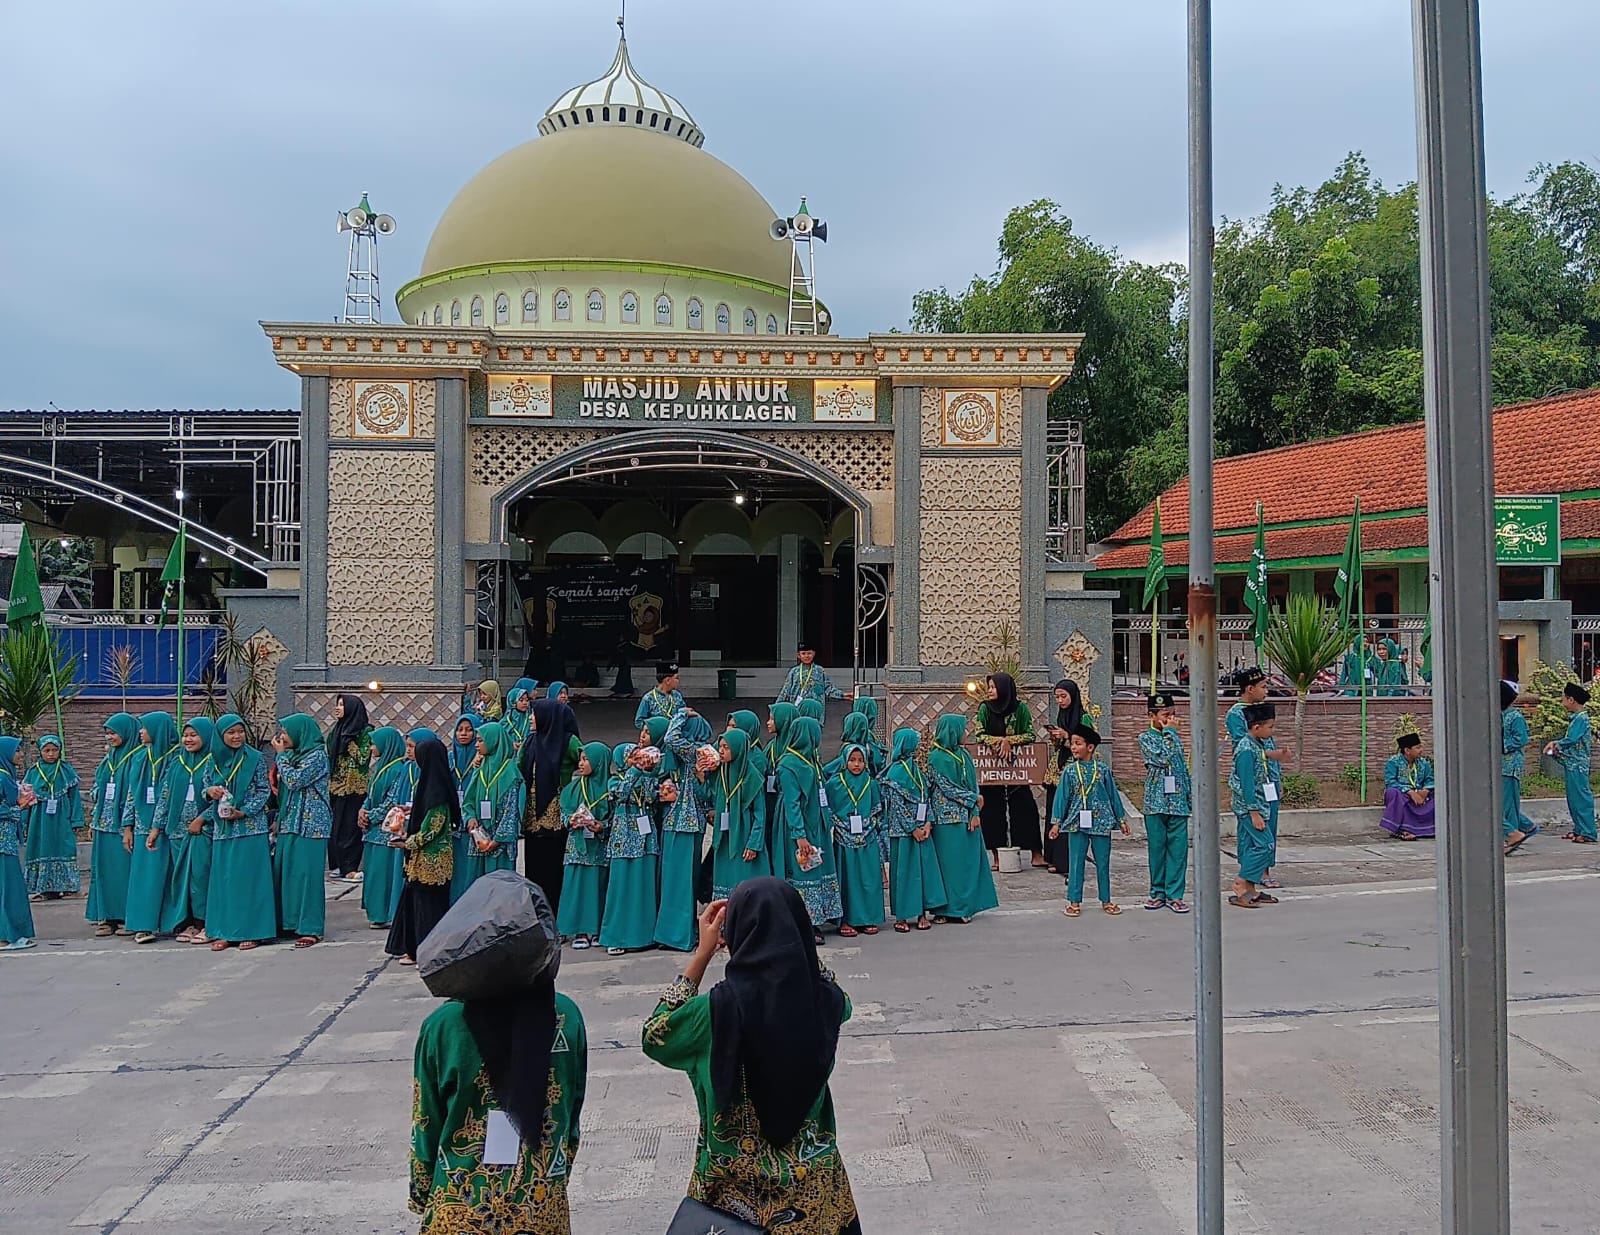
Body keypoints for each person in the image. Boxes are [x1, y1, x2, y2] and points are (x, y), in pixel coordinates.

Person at [642, 881, 861, 1235]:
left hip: (731, 1195)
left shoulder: (711, 1013)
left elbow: (655, 1035)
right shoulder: (828, 1003)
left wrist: (701, 955)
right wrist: (801, 948)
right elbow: (837, 992)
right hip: (814, 1193)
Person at [410, 879, 586, 1235]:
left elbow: (425, 1122)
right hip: (540, 1207)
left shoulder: (443, 1026)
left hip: (460, 1209)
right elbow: (571, 1115)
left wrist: (422, 1193)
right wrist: (553, 1175)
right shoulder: (565, 1017)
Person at [202, 714, 276, 950]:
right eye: (231, 732)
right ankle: (224, 931)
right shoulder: (212, 760)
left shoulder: (254, 758)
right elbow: (204, 786)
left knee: (249, 881)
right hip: (223, 829)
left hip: (250, 828)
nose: (236, 737)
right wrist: (210, 791)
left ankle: (252, 931)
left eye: (240, 731)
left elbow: (264, 791)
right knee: (225, 881)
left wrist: (243, 812)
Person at [387, 736, 457, 965]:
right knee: (416, 905)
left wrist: (406, 842)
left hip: (432, 861)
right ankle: (414, 949)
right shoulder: (427, 785)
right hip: (419, 861)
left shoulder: (437, 792)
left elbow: (431, 829)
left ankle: (430, 953)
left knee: (429, 908)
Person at [1049, 723, 1130, 918]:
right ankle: (1074, 901)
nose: (1074, 747)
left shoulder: (1102, 770)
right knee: (1076, 862)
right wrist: (1056, 823)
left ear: (1090, 747)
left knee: (1103, 862)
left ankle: (1106, 899)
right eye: (1072, 744)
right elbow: (1062, 798)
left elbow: (1113, 796)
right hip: (1077, 822)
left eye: (1078, 743)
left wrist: (1122, 819)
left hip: (1101, 822)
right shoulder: (1069, 772)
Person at [926, 713, 999, 924]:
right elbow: (947, 788)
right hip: (945, 820)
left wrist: (975, 812)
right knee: (947, 867)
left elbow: (973, 783)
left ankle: (963, 908)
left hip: (967, 817)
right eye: (963, 729)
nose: (966, 733)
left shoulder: (964, 755)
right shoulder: (936, 758)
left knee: (965, 866)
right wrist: (974, 799)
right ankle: (944, 909)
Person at [776, 717, 842, 942]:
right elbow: (792, 803)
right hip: (800, 829)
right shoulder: (788, 765)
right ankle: (805, 924)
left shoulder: (810, 760)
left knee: (817, 869)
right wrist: (799, 836)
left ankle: (819, 918)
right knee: (804, 872)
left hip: (817, 827)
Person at [656, 709, 715, 952]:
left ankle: (679, 934)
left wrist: (680, 713)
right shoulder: (690, 755)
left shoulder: (697, 752)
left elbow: (670, 738)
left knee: (680, 881)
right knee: (671, 879)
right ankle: (669, 932)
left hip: (688, 824)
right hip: (675, 821)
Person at [273, 714, 332, 948]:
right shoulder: (292, 755)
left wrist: (280, 757)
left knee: (308, 877)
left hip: (312, 826)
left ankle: (310, 928)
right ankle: (289, 923)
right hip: (289, 822)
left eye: (286, 732)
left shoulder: (317, 756)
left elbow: (295, 780)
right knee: (288, 875)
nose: (282, 737)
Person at [599, 739, 662, 956]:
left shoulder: (646, 777)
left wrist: (651, 771)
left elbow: (653, 798)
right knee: (622, 887)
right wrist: (635, 771)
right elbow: (622, 794)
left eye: (639, 753)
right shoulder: (615, 780)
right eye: (632, 754)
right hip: (624, 838)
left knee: (644, 886)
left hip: (646, 838)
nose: (638, 757)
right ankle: (616, 937)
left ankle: (644, 936)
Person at [975, 672, 1044, 869]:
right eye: (989, 687)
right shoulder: (984, 709)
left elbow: (1030, 734)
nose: (989, 691)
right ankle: (997, 856)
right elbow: (979, 734)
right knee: (991, 810)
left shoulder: (1020, 708)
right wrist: (999, 741)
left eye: (993, 687)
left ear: (1004, 688)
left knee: (1025, 807)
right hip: (992, 769)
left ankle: (1036, 854)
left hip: (1018, 767)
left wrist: (1009, 741)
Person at [519, 696, 582, 913]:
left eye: (534, 714)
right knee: (534, 864)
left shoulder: (568, 741)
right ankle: (537, 913)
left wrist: (572, 793)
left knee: (554, 865)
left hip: (556, 816)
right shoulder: (531, 742)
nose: (530, 718)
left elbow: (588, 762)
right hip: (531, 815)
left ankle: (556, 914)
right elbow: (517, 769)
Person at [1226, 668, 1287, 888]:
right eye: (1263, 687)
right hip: (1252, 779)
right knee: (1252, 827)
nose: (1266, 691)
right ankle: (1249, 872)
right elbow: (1248, 747)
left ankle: (1265, 867)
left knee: (1270, 822)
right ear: (1249, 689)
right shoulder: (1236, 714)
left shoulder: (1262, 710)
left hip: (1269, 776)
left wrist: (1278, 777)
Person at [122, 712, 179, 945]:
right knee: (144, 878)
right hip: (143, 826)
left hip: (169, 827)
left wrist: (158, 825)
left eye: (145, 728)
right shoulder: (139, 758)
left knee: (168, 876)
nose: (141, 732)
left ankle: (171, 923)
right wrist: (127, 826)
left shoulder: (176, 758)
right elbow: (131, 793)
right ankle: (142, 924)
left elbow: (168, 795)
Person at [882, 728, 945, 933]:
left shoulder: (917, 770)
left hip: (922, 830)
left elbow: (926, 799)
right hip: (903, 834)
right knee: (904, 873)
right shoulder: (895, 771)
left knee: (922, 872)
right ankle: (901, 915)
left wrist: (928, 823)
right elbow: (896, 806)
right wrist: (912, 828)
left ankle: (921, 913)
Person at [161, 718, 216, 945]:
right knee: (181, 879)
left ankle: (205, 923)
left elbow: (223, 797)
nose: (188, 739)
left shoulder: (213, 762)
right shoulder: (176, 763)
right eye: (186, 735)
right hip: (177, 832)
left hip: (203, 831)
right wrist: (157, 827)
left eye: (194, 735)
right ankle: (188, 922)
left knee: (200, 877)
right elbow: (165, 798)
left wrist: (203, 819)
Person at [86, 713, 140, 937]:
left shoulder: (137, 758)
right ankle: (106, 916)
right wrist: (93, 818)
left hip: (124, 826)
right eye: (107, 733)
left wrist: (129, 824)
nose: (110, 737)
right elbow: (97, 789)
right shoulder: (107, 761)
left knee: (124, 872)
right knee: (104, 872)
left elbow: (135, 793)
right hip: (103, 825)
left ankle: (128, 916)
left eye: (114, 732)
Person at [1138, 693, 1192, 913]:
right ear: (1151, 715)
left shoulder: (1174, 736)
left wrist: (1189, 796)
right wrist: (1170, 732)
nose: (1170, 719)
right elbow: (1163, 758)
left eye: (1172, 714)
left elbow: (1181, 767)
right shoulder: (1146, 738)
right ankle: (1157, 892)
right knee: (1157, 850)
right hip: (1156, 802)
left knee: (1178, 851)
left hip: (1177, 801)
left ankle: (1175, 894)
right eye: (1165, 715)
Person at [555, 742, 612, 948]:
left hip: (599, 846)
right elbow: (563, 813)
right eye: (580, 759)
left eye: (586, 759)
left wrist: (601, 826)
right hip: (577, 845)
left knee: (598, 886)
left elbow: (614, 817)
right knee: (576, 885)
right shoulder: (572, 789)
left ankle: (596, 929)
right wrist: (570, 821)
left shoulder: (610, 788)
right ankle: (578, 930)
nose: (581, 763)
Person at [825, 744, 884, 937]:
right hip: (843, 838)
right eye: (852, 760)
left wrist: (867, 826)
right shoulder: (835, 783)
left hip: (868, 837)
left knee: (869, 878)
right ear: (844, 761)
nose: (856, 764)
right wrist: (842, 827)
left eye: (860, 760)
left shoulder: (871, 783)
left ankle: (868, 918)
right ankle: (847, 920)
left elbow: (877, 809)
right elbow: (829, 810)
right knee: (848, 880)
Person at [357, 727, 411, 929]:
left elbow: (392, 802)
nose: (371, 748)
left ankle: (385, 913)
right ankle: (376, 913)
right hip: (372, 830)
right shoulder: (381, 767)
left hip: (385, 830)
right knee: (373, 873)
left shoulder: (399, 769)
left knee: (383, 874)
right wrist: (363, 810)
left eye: (374, 744)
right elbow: (371, 796)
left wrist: (370, 816)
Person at [1228, 704, 1278, 908]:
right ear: (1256, 728)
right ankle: (1241, 883)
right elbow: (1246, 783)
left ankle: (1250, 888)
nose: (1272, 731)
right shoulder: (1246, 750)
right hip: (1249, 807)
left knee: (1250, 846)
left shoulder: (1257, 745)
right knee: (1265, 844)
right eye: (1270, 727)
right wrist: (1254, 813)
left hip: (1260, 802)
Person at [710, 728, 767, 902]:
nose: (721, 751)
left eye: (726, 747)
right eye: (720, 746)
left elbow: (760, 814)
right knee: (724, 878)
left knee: (744, 878)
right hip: (725, 837)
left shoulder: (752, 777)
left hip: (744, 835)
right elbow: (710, 794)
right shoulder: (722, 772)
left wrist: (754, 844)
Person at [24, 735, 82, 899]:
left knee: (64, 846)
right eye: (46, 750)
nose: (50, 754)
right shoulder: (33, 772)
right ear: (40, 751)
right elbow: (25, 800)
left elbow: (74, 798)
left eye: (54, 750)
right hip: (39, 820)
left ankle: (69, 887)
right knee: (41, 847)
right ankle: (44, 888)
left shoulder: (66, 771)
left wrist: (76, 820)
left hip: (61, 817)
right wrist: (24, 822)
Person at [326, 693, 374, 883]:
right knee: (335, 827)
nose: (337, 708)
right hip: (336, 786)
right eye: (336, 705)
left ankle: (350, 867)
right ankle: (337, 865)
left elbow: (363, 758)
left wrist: (350, 743)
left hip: (355, 788)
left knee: (350, 828)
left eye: (341, 705)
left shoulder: (365, 732)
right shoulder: (336, 730)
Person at [1041, 679, 1083, 875]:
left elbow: (1086, 745)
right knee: (1053, 813)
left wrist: (1068, 736)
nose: (1060, 701)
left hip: (1072, 772)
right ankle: (1051, 857)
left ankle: (1064, 861)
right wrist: (1056, 738)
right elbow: (1060, 748)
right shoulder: (1062, 716)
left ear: (1073, 696)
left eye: (1063, 696)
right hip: (1056, 773)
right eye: (1057, 697)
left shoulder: (1083, 719)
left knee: (1066, 815)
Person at [1546, 681, 1596, 843]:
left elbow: (1572, 739)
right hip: (1572, 763)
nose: (1562, 702)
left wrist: (1556, 744)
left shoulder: (1581, 719)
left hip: (1578, 765)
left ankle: (1588, 832)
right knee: (1574, 798)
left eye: (1564, 699)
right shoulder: (1576, 718)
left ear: (1571, 700)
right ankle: (1579, 829)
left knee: (1581, 798)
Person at [0, 738, 36, 950]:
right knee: (7, 888)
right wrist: (19, 807)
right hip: (3, 844)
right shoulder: (2, 777)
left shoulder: (7, 775)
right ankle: (5, 937)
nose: (21, 754)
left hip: (7, 842)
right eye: (17, 751)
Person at [1381, 731, 1436, 841]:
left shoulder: (1424, 763)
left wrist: (1425, 791)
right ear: (1407, 750)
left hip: (1421, 795)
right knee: (1392, 793)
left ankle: (1429, 829)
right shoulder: (1393, 762)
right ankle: (1402, 830)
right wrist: (1410, 792)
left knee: (1439, 795)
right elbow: (1390, 782)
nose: (1421, 750)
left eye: (1421, 747)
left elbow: (1430, 779)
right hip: (1403, 795)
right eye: (1418, 747)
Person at [776, 643, 851, 723]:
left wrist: (843, 695)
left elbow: (828, 688)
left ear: (814, 654)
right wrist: (776, 708)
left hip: (815, 710)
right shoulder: (794, 672)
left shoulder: (819, 671)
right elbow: (785, 691)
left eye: (809, 653)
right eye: (803, 654)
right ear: (798, 655)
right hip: (797, 709)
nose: (806, 656)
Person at [1502, 680, 1536, 856]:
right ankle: (1526, 827)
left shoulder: (1515, 717)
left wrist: (1500, 745)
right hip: (1499, 766)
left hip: (1510, 766)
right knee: (1507, 804)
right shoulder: (1500, 715)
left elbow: (1521, 739)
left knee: (1506, 806)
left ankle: (1512, 835)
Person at [634, 663, 685, 729]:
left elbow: (683, 713)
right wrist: (653, 729)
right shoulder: (649, 698)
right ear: (668, 680)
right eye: (676, 678)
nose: (678, 681)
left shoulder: (677, 695)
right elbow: (639, 721)